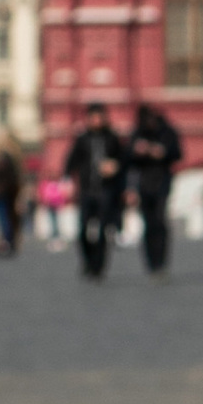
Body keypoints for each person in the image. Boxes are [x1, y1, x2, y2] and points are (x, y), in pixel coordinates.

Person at [64, 105, 125, 281]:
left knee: (104, 230)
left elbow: (123, 160)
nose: (97, 121)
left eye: (100, 117)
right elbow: (72, 159)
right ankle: (88, 261)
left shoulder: (112, 138)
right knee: (83, 229)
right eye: (93, 117)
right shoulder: (82, 139)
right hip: (87, 190)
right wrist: (67, 178)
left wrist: (115, 166)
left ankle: (99, 266)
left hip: (107, 190)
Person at [126, 104, 184, 277]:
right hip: (143, 184)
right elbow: (127, 158)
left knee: (160, 221)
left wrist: (163, 152)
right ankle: (151, 262)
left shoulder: (167, 132)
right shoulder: (138, 134)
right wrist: (137, 151)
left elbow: (178, 154)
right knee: (148, 224)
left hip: (162, 183)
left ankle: (161, 261)